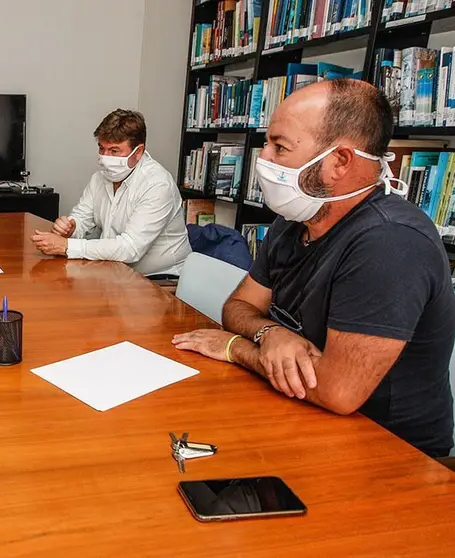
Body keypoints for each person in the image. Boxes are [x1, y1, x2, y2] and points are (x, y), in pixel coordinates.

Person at [173, 80, 455, 457]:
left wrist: (237, 348)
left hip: (385, 453)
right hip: (299, 413)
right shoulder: (296, 219)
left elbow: (336, 391)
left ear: (339, 162)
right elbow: (237, 307)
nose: (264, 160)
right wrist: (271, 333)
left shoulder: (390, 243)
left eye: (280, 147)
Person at [32, 109, 191, 276]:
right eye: (101, 148)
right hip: (115, 271)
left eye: (114, 151)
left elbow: (130, 248)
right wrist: (71, 228)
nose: (105, 158)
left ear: (138, 152)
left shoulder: (157, 185)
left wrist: (66, 246)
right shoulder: (99, 178)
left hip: (160, 279)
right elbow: (82, 218)